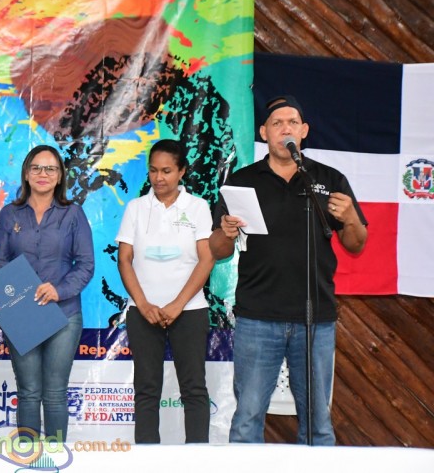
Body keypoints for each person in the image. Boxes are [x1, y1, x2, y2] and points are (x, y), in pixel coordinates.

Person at [209, 95, 368, 445]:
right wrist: (226, 232)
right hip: (257, 316)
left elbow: (356, 243)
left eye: (292, 122)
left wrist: (351, 218)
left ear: (304, 130)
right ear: (264, 132)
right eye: (277, 123)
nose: (285, 129)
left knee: (317, 421)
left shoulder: (329, 179)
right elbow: (218, 250)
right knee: (248, 416)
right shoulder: (242, 180)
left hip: (315, 319)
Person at [0, 145, 95, 442]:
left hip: (64, 313)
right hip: (20, 313)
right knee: (29, 392)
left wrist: (59, 290)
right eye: (36, 168)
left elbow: (86, 264)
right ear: (26, 174)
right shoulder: (10, 214)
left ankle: (57, 458)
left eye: (50, 169)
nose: (43, 174)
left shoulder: (73, 214)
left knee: (55, 392)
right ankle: (28, 457)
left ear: (59, 176)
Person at [115, 139, 214, 444]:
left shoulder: (198, 207)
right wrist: (143, 304)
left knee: (194, 389)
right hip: (143, 312)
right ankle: (147, 459)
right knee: (146, 390)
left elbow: (207, 259)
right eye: (154, 170)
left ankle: (196, 457)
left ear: (182, 171)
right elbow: (124, 259)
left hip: (190, 311)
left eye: (167, 171)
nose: (159, 178)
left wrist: (177, 305)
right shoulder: (136, 208)